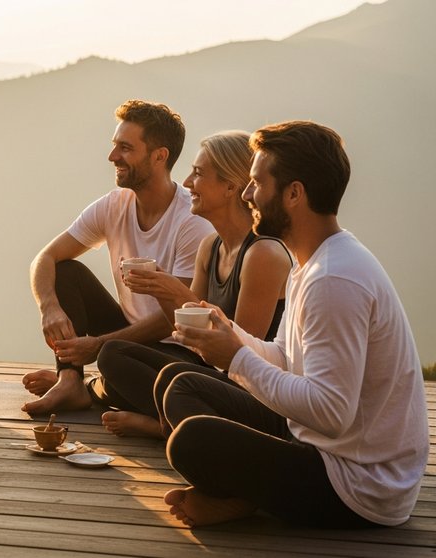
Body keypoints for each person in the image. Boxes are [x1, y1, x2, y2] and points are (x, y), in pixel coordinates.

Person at [162, 121, 428, 529]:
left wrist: (235, 359)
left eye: (256, 183)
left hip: (359, 484)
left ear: (293, 193)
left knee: (193, 440)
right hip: (317, 441)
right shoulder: (310, 262)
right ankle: (243, 494)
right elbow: (286, 357)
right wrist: (231, 337)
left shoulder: (334, 278)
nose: (248, 194)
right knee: (181, 384)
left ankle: (242, 499)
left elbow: (331, 412)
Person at [89, 131, 291, 438]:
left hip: (251, 389)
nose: (186, 184)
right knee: (114, 354)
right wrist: (160, 290)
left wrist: (173, 290)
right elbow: (187, 333)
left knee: (171, 379)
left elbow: (241, 356)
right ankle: (172, 417)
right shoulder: (211, 246)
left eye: (198, 174)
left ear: (230, 187)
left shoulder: (262, 254)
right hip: (207, 372)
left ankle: (164, 426)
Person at [21, 100, 214, 414]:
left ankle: (91, 390)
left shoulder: (192, 222)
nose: (112, 157)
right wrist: (49, 308)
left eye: (125, 148)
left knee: (114, 358)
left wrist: (99, 344)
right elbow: (44, 258)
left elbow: (176, 320)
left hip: (177, 351)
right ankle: (69, 381)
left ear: (159, 156)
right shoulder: (114, 205)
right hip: (126, 336)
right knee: (66, 271)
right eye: (115, 146)